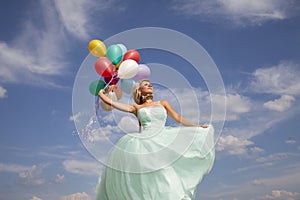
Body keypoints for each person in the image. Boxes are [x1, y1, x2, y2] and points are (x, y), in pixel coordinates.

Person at [96, 79, 215, 200]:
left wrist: (196, 126)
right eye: (146, 85)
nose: (150, 86)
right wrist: (101, 94)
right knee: (149, 176)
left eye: (150, 85)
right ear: (139, 90)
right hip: (143, 143)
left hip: (163, 140)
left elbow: (178, 118)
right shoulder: (136, 108)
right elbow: (115, 104)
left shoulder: (163, 103)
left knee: (166, 173)